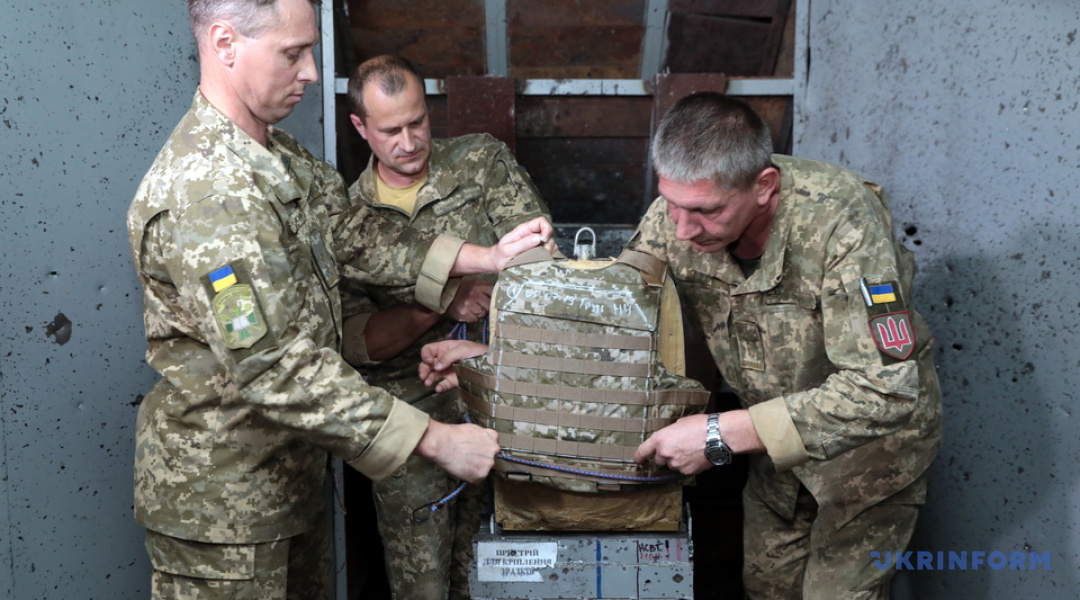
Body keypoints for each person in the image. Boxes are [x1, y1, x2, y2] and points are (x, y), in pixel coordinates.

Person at [420, 94, 944, 600]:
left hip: (867, 461)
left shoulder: (843, 222)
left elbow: (885, 390)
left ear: (763, 186)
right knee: (767, 589)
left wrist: (717, 434)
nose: (684, 229)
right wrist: (497, 365)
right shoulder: (672, 218)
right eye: (672, 204)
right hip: (775, 459)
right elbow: (612, 333)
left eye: (706, 211)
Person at [126, 2, 551, 599]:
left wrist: (484, 257)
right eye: (293, 53)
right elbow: (274, 368)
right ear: (225, 43)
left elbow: (354, 235)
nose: (311, 72)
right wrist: (433, 439)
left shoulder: (279, 158)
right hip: (224, 510)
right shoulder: (211, 194)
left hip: (291, 484)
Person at [339, 55, 557, 600]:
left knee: (516, 573)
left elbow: (540, 266)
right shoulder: (350, 218)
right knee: (425, 584)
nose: (409, 141)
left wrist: (496, 292)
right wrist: (440, 301)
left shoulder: (481, 162)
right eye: (391, 130)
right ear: (360, 127)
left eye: (418, 122)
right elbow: (359, 342)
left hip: (505, 401)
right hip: (413, 425)